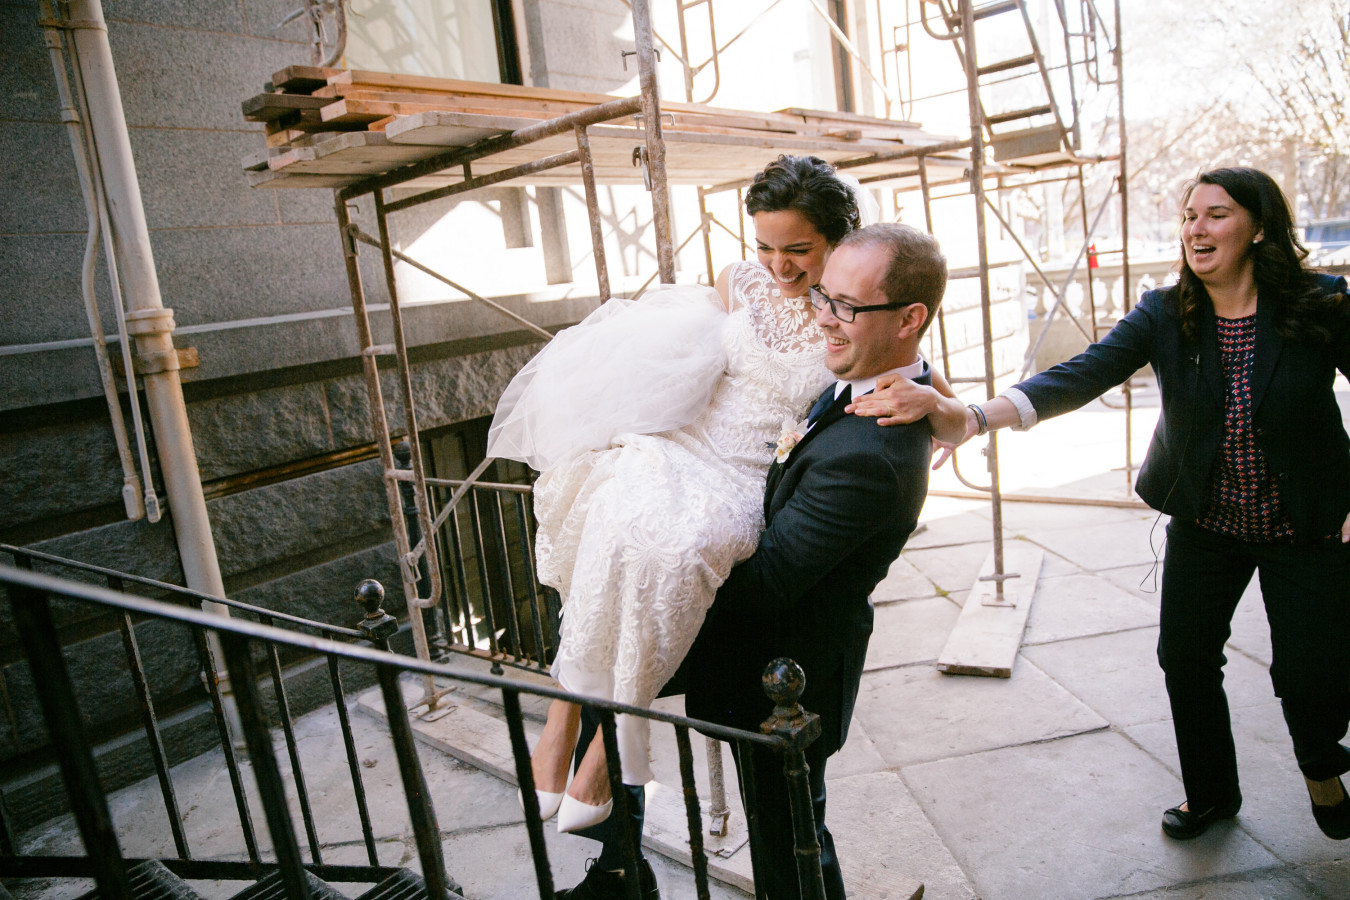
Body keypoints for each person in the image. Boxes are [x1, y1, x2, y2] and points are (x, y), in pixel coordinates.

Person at [864, 166, 1350, 843]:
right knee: (1185, 660)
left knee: (1310, 680)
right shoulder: (1165, 312)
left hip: (1306, 524)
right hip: (1207, 524)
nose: (1196, 229)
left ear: (1259, 228)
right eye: (1189, 215)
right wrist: (971, 417)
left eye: (1215, 215)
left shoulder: (1320, 304)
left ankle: (1322, 767)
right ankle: (1212, 792)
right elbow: (1081, 375)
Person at [489, 156, 914, 898]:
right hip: (696, 443)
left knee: (675, 554)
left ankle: (611, 749)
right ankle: (575, 743)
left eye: (799, 249)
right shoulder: (739, 284)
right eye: (766, 247)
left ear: (838, 242)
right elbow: (679, 360)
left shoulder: (853, 319)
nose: (779, 266)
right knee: (614, 515)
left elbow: (909, 366)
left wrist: (945, 408)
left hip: (752, 497)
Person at [681, 222, 947, 899]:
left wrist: (665, 593)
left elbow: (767, 585)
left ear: (909, 319)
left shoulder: (870, 454)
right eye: (825, 296)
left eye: (845, 306)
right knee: (792, 832)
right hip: (781, 666)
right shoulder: (866, 380)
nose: (822, 316)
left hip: (787, 676)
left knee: (789, 848)